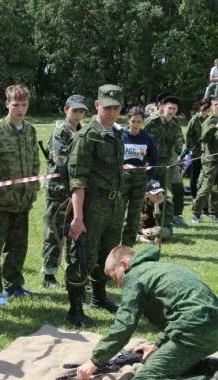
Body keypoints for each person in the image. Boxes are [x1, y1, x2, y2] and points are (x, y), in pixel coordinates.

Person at [74, 245, 218, 380]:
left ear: (124, 264)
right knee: (159, 361)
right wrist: (158, 344)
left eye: (115, 277)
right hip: (215, 330)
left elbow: (123, 325)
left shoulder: (135, 276)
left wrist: (94, 361)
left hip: (194, 333)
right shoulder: (158, 268)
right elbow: (179, 314)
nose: (119, 284)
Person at [65, 84, 126, 326]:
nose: (111, 112)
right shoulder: (86, 136)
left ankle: (99, 297)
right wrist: (77, 218)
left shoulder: (117, 134)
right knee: (82, 256)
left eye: (116, 108)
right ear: (97, 106)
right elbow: (77, 181)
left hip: (113, 205)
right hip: (92, 206)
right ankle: (75, 308)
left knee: (108, 254)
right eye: (107, 107)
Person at [0, 83, 39, 305]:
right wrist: (0, 190)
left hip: (23, 200)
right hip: (1, 201)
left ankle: (14, 285)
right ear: (7, 104)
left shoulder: (30, 130)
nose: (20, 109)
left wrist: (33, 184)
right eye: (16, 104)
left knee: (18, 246)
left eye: (24, 104)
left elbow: (35, 160)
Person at [41, 94, 87, 289]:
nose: (78, 114)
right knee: (54, 231)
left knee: (72, 229)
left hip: (75, 188)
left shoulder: (81, 130)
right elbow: (62, 161)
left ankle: (71, 268)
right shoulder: (61, 131)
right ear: (66, 109)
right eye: (75, 110)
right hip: (58, 189)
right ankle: (49, 274)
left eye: (81, 111)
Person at [144, 96, 185, 227]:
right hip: (151, 162)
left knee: (161, 193)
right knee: (148, 191)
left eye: (174, 109)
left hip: (166, 163)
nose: (171, 111)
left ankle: (162, 219)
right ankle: (146, 219)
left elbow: (179, 139)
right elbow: (142, 138)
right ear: (163, 107)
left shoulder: (175, 124)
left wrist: (178, 154)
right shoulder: (152, 121)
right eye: (169, 108)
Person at [121, 106, 158, 245]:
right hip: (122, 179)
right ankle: (115, 242)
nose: (135, 124)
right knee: (118, 213)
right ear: (128, 121)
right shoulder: (121, 136)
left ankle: (128, 244)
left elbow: (154, 160)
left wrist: (148, 176)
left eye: (139, 122)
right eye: (133, 121)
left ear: (143, 122)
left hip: (139, 180)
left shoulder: (147, 138)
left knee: (134, 214)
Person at [191, 103, 218, 224]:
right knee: (206, 187)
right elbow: (204, 139)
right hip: (211, 160)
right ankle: (196, 213)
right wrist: (215, 127)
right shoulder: (210, 122)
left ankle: (213, 213)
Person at [184, 98, 211, 199]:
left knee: (206, 175)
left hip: (208, 153)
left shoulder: (210, 119)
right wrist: (192, 148)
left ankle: (202, 194)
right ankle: (194, 195)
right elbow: (188, 135)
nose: (206, 108)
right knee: (195, 175)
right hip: (196, 152)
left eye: (208, 106)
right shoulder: (195, 119)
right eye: (204, 106)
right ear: (200, 107)